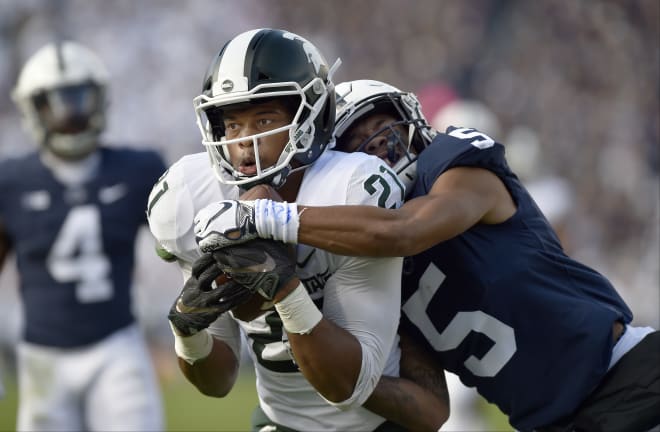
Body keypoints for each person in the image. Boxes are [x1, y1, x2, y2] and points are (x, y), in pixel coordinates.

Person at [196, 79, 660, 432]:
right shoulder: (364, 266)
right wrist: (331, 374)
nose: (377, 143)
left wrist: (266, 218)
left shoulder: (456, 165)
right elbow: (429, 406)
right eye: (357, 140)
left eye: (383, 125)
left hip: (627, 375)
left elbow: (405, 230)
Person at [147, 29, 449, 431]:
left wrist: (285, 290)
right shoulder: (191, 196)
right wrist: (188, 333)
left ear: (310, 118)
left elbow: (350, 385)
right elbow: (216, 382)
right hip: (279, 422)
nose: (244, 143)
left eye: (264, 120)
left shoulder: (349, 188)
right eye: (232, 125)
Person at [0, 41, 165, 431]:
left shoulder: (139, 169)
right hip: (42, 356)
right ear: (31, 110)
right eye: (54, 103)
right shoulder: (11, 181)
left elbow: (186, 248)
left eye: (78, 99)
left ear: (100, 99)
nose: (69, 114)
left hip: (116, 346)